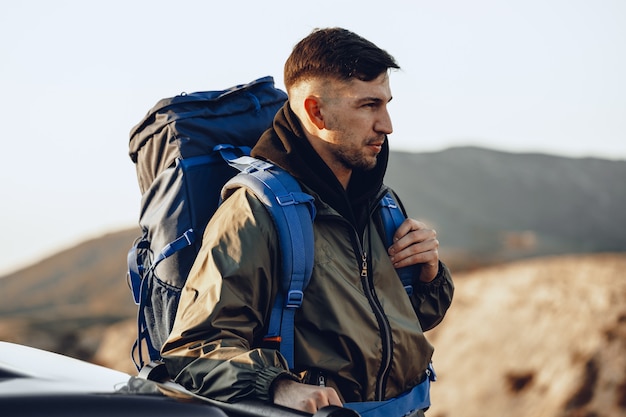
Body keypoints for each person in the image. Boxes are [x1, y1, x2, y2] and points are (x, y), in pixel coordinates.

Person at [161, 27, 454, 417]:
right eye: (369, 106)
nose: (387, 124)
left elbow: (402, 325)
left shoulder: (380, 203)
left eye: (386, 104)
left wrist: (429, 278)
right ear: (316, 112)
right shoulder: (255, 211)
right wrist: (278, 386)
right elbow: (195, 350)